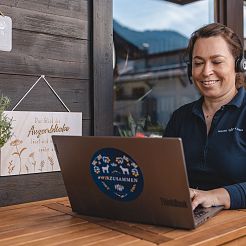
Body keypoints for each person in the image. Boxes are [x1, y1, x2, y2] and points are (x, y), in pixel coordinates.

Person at [163, 23, 246, 210]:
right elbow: (163, 175)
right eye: (198, 63)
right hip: (186, 218)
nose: (206, 71)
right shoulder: (180, 117)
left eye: (216, 62)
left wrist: (216, 196)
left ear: (239, 65)